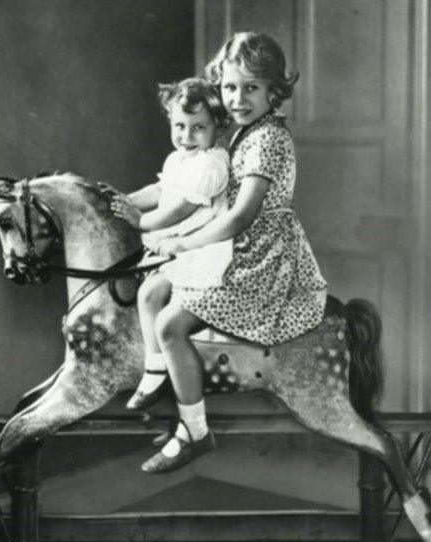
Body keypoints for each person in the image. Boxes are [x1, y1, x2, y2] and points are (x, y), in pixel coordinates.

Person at [136, 31, 328, 474]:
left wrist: (182, 242)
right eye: (229, 87)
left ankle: (194, 432)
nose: (237, 98)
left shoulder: (267, 140)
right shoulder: (244, 132)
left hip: (260, 258)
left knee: (169, 325)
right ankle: (156, 376)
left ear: (274, 90)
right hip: (233, 247)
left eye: (251, 87)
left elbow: (241, 217)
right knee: (153, 285)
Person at [111, 77, 233, 412]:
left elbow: (181, 208)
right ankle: (155, 364)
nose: (186, 136)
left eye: (198, 127)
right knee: (142, 288)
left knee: (150, 294)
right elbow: (162, 192)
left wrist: (140, 221)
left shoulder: (212, 164)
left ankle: (156, 370)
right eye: (179, 125)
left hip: (200, 249)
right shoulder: (178, 160)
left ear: (218, 126)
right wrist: (124, 201)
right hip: (176, 246)